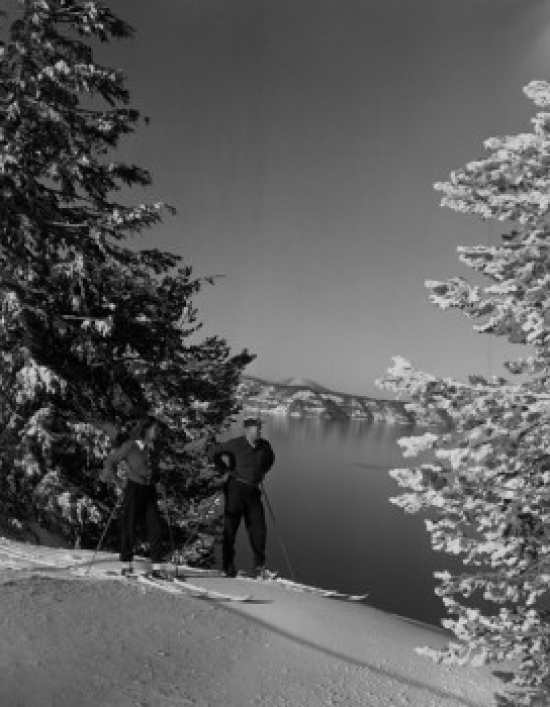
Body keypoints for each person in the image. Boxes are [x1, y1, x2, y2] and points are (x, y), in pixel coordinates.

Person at [101, 416, 173, 581]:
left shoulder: (153, 448)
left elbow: (152, 469)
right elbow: (110, 461)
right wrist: (119, 482)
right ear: (146, 430)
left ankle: (156, 567)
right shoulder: (131, 446)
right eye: (155, 429)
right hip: (133, 488)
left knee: (155, 526)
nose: (158, 432)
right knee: (130, 525)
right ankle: (126, 564)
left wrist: (158, 480)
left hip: (149, 489)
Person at [210, 417, 275, 578]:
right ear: (247, 430)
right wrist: (225, 470)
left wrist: (261, 473)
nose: (260, 431)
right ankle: (228, 566)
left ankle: (259, 567)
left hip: (253, 491)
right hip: (235, 488)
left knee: (259, 530)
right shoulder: (235, 444)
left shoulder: (264, 446)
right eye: (257, 428)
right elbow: (214, 453)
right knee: (231, 528)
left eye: (260, 428)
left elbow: (270, 459)